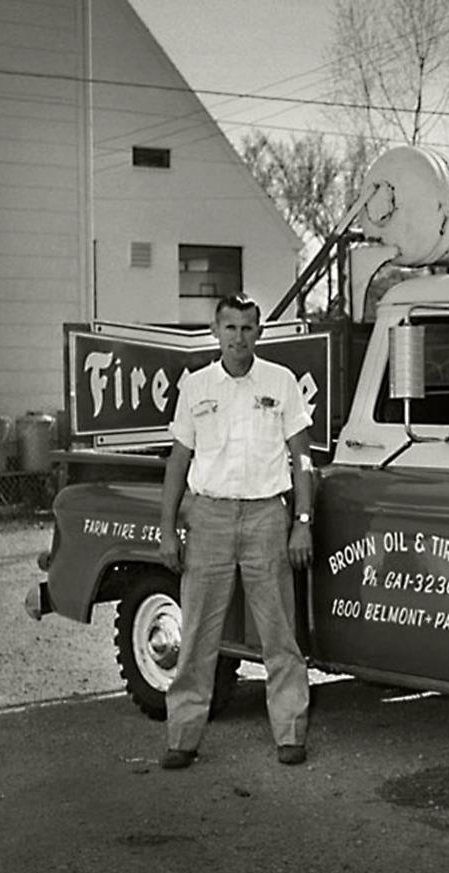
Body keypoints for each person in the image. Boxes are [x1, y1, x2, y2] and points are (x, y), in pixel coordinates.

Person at [157, 294, 314, 769]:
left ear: (259, 333)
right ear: (215, 331)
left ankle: (290, 732)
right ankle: (182, 738)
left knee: (279, 633)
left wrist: (302, 522)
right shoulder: (196, 387)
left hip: (267, 516)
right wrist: (167, 529)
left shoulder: (281, 382)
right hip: (209, 518)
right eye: (230, 328)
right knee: (197, 635)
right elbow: (179, 461)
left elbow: (303, 458)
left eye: (247, 328)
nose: (238, 338)